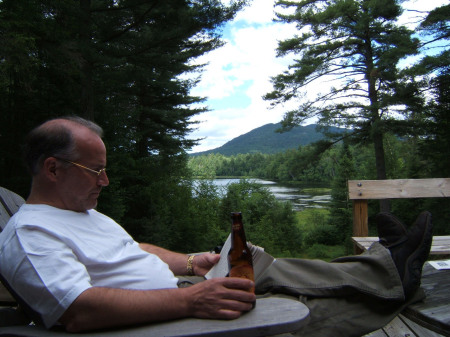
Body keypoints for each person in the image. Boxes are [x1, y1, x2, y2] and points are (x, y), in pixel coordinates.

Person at [0, 117, 433, 337]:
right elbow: (78, 311)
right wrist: (192, 302)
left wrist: (192, 263)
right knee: (295, 307)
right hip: (165, 324)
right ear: (53, 169)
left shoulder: (80, 214)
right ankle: (397, 278)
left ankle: (389, 267)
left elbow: (133, 250)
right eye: (95, 170)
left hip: (176, 298)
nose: (105, 181)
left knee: (253, 261)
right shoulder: (30, 234)